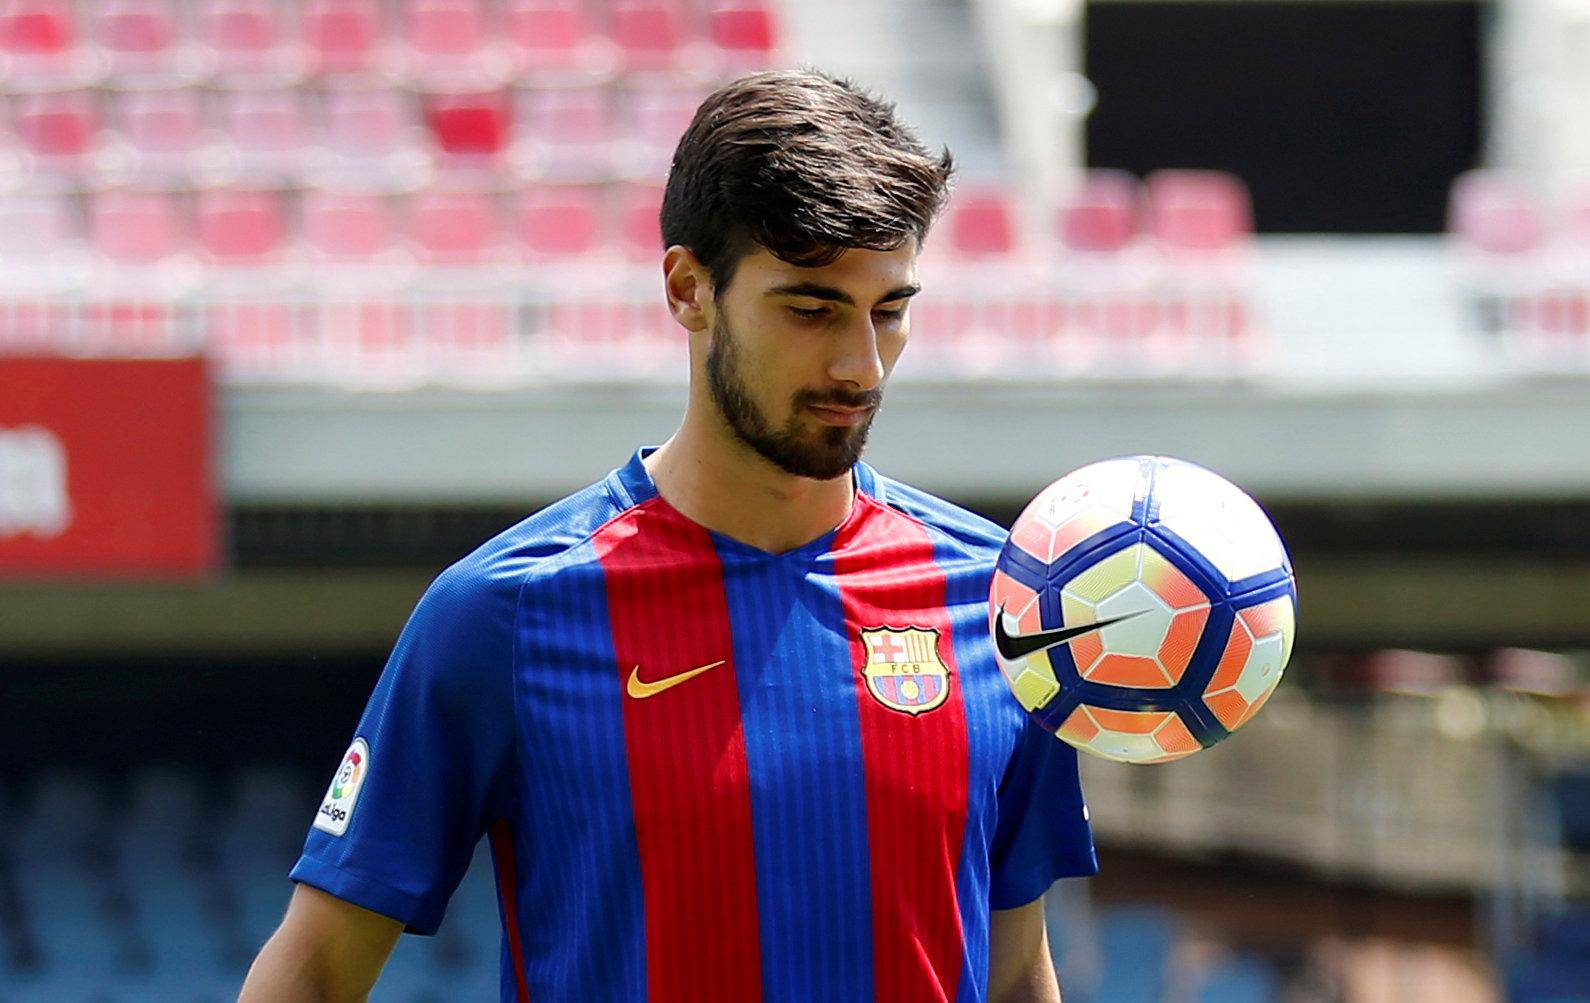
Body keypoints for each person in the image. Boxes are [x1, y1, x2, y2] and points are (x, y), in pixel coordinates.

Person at [239, 68, 1096, 1003]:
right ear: (690, 289)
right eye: (811, 308)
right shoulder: (507, 612)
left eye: (889, 310)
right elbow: (316, 970)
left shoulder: (999, 599)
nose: (862, 363)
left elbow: (1014, 971)